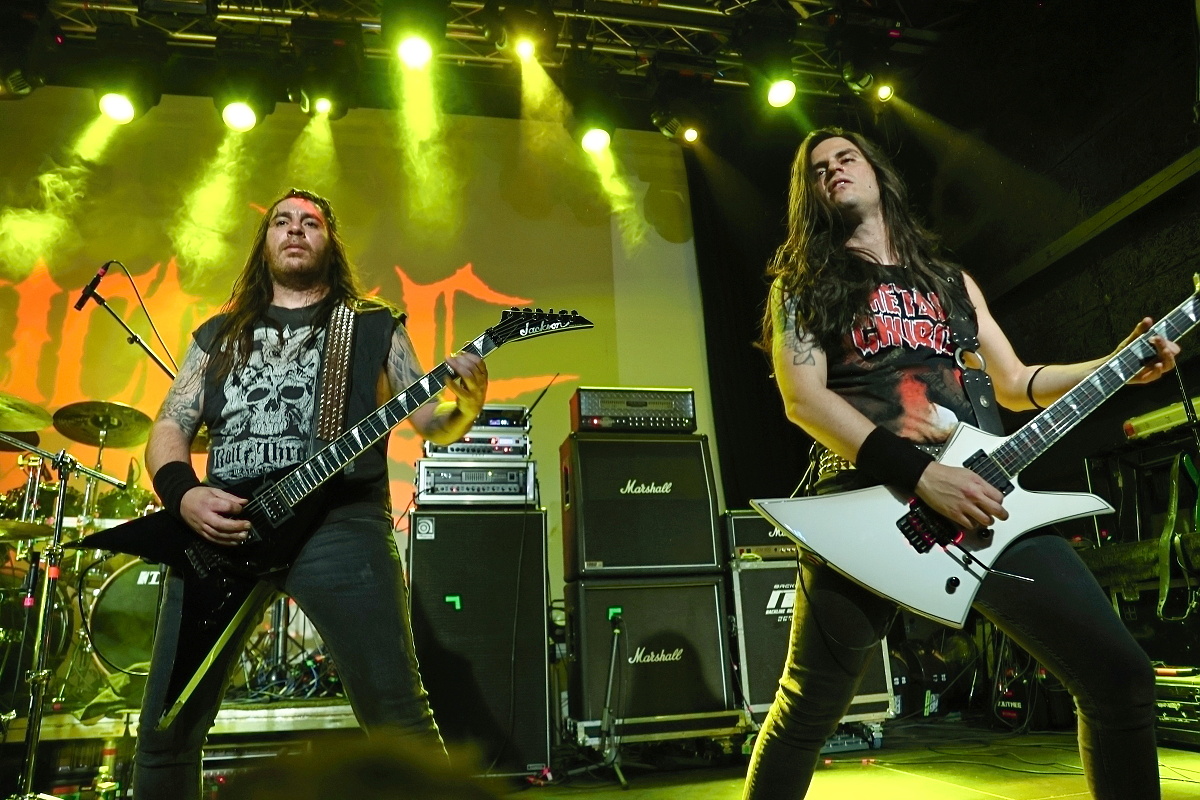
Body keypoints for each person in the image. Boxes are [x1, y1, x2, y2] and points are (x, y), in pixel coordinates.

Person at [747, 128, 1178, 800]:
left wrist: (1118, 364)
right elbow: (804, 400)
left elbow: (1016, 383)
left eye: (846, 157)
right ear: (810, 196)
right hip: (868, 505)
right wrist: (922, 476)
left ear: (878, 174)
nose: (833, 170)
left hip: (981, 498)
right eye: (818, 169)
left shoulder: (951, 284)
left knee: (1120, 677)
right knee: (808, 708)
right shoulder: (803, 287)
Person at [135, 188, 488, 799]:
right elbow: (171, 424)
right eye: (282, 221)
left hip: (339, 525)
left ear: (330, 242)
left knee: (398, 719)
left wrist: (469, 405)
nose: (295, 229)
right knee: (166, 731)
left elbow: (431, 421)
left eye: (311, 223)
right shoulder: (218, 334)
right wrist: (184, 494)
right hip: (222, 528)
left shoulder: (373, 325)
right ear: (265, 241)